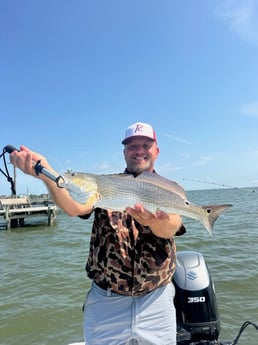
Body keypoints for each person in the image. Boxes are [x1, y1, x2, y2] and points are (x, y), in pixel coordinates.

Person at [10, 122, 185, 345]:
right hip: (106, 302)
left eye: (145, 145)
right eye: (132, 146)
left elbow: (172, 226)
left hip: (156, 301)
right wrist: (45, 172)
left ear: (156, 151)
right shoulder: (105, 185)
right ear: (124, 153)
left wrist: (154, 223)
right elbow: (75, 207)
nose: (139, 150)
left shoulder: (169, 188)